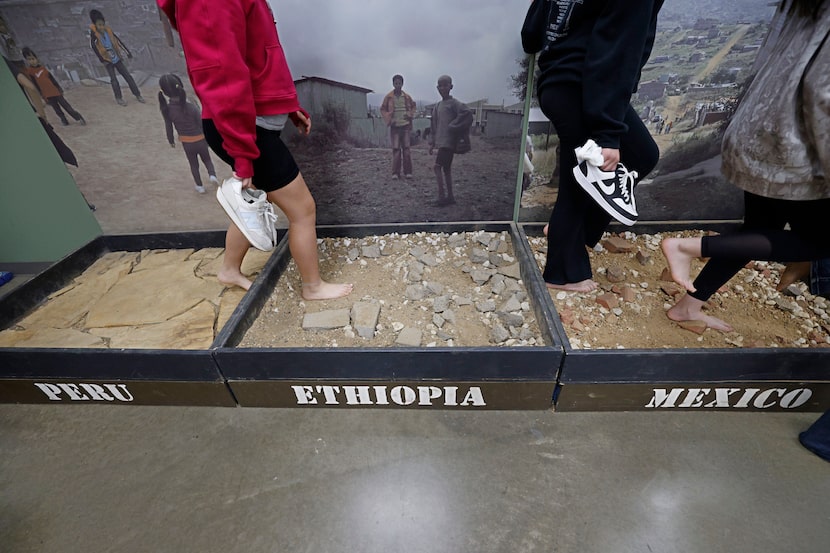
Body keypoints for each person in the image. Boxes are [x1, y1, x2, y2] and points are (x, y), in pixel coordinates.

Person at [156, 0, 352, 299]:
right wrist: (243, 154)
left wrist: (286, 105)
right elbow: (221, 76)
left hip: (251, 124)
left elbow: (259, 53)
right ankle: (313, 287)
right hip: (245, 129)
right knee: (302, 210)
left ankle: (229, 270)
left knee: (254, 204)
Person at [661, 0, 830, 332]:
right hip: (796, 147)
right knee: (821, 243)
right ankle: (687, 248)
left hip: (763, 131)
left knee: (759, 228)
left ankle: (687, 306)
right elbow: (824, 94)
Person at [522, 0, 663, 292]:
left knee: (643, 155)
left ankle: (569, 234)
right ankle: (562, 274)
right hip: (582, 86)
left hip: (565, 83)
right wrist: (607, 133)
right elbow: (619, 49)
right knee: (578, 186)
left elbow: (531, 36)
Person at [157, 73, 218, 194]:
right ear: (180, 86)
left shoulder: (167, 110)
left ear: (164, 92)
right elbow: (201, 123)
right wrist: (208, 138)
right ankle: (212, 175)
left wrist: (171, 141)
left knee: (193, 165)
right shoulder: (191, 106)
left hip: (187, 143)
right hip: (200, 139)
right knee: (207, 159)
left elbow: (168, 127)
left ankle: (199, 186)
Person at [427, 75, 472, 207]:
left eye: (445, 85)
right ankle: (450, 197)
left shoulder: (454, 104)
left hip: (449, 142)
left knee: (437, 167)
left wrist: (454, 125)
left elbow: (467, 113)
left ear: (451, 87)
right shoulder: (438, 106)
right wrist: (432, 143)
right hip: (441, 143)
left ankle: (442, 197)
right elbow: (433, 126)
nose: (442, 88)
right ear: (437, 88)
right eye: (440, 85)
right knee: (446, 169)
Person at [88, 9, 145, 107]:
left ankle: (138, 94)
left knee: (128, 76)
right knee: (114, 80)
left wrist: (127, 52)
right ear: (95, 25)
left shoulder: (108, 30)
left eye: (102, 23)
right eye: (99, 24)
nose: (101, 26)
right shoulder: (94, 34)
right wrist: (102, 59)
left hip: (116, 58)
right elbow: (93, 47)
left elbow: (117, 40)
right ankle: (119, 98)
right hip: (107, 60)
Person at [22, 47, 85, 126]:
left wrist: (59, 89)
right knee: (56, 109)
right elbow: (35, 85)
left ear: (36, 58)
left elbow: (52, 80)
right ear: (27, 61)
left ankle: (78, 117)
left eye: (33, 58)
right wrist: (42, 95)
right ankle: (64, 120)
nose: (32, 61)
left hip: (55, 92)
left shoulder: (43, 68)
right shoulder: (30, 72)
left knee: (66, 106)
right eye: (29, 59)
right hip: (47, 94)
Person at [379, 74, 416, 180]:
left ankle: (408, 172)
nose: (398, 85)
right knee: (396, 149)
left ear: (402, 84)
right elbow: (383, 109)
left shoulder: (407, 97)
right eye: (396, 83)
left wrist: (409, 114)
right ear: (393, 84)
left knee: (406, 149)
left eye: (399, 83)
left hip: (405, 126)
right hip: (395, 127)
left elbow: (413, 106)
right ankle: (395, 173)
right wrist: (389, 120)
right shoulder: (389, 97)